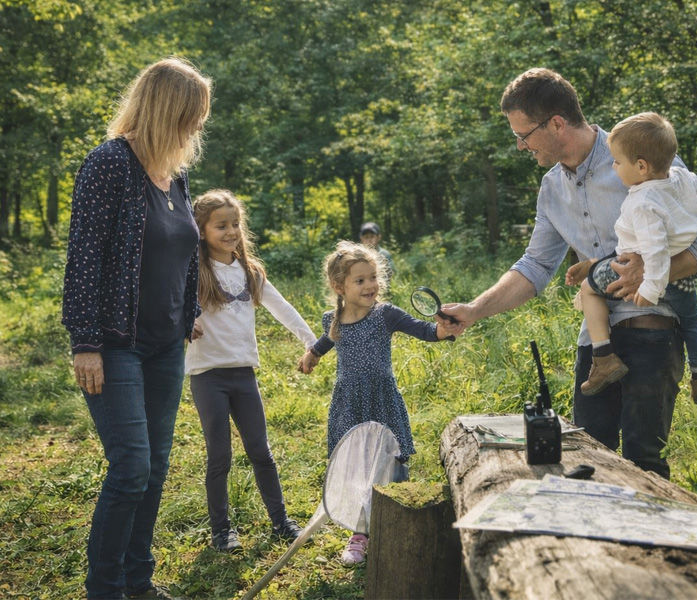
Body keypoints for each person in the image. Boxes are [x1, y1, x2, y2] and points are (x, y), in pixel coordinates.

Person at [438, 68, 697, 480]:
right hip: (596, 345)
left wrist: (656, 270)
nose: (520, 146)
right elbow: (535, 266)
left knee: (643, 463)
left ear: (556, 123)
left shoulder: (638, 154)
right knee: (587, 456)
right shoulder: (550, 188)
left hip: (655, 329)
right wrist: (474, 310)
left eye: (523, 135)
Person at [61, 57, 211, 600]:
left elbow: (184, 248)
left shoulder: (176, 175)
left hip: (167, 343)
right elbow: (85, 258)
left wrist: (189, 309)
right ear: (168, 109)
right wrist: (86, 343)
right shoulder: (109, 165)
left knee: (156, 466)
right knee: (131, 466)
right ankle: (104, 590)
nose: (198, 126)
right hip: (114, 344)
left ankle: (138, 582)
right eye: (193, 115)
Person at [297, 241, 457, 564]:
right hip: (350, 404)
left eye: (373, 277)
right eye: (361, 280)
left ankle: (398, 522)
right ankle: (360, 533)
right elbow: (328, 340)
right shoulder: (335, 318)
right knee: (357, 467)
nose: (371, 285)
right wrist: (312, 354)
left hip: (381, 400)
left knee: (388, 463)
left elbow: (425, 330)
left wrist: (443, 331)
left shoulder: (386, 314)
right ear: (339, 286)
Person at [568, 112, 697, 405]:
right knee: (692, 322)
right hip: (684, 276)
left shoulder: (643, 202)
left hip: (648, 269)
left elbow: (655, 253)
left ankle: (603, 357)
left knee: (588, 289)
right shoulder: (683, 177)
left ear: (641, 166)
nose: (614, 166)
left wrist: (650, 289)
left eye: (617, 162)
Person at [186, 190, 315, 553]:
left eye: (235, 224)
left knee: (261, 450)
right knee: (220, 455)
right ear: (201, 230)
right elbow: (171, 307)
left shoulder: (249, 271)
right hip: (207, 376)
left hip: (244, 375)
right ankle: (221, 530)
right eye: (221, 226)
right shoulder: (194, 272)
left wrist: (312, 342)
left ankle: (281, 521)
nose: (231, 232)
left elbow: (282, 307)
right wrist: (186, 321)